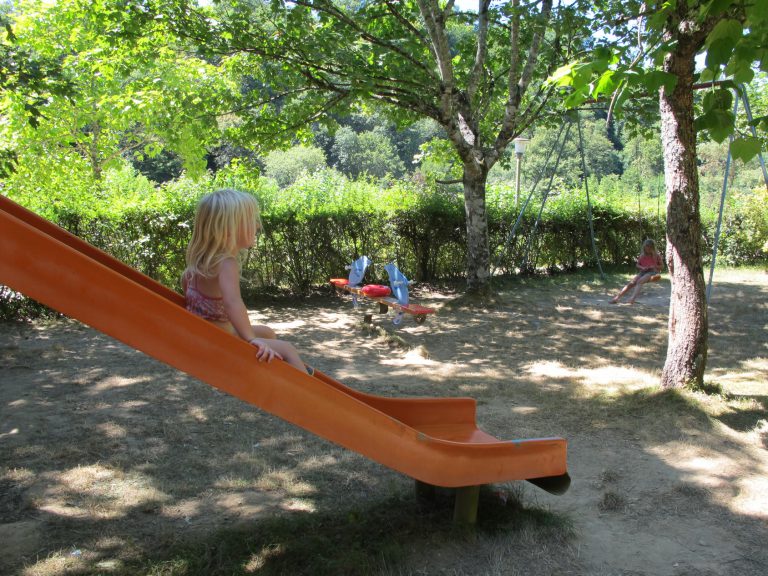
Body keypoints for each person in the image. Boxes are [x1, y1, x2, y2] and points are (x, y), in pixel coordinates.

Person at [182, 188, 313, 374]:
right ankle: (306, 388)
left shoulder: (192, 270)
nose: (258, 226)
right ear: (229, 230)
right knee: (287, 349)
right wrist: (251, 339)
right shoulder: (226, 263)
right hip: (221, 339)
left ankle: (276, 369)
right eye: (252, 221)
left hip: (207, 334)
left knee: (267, 333)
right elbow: (232, 303)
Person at [611, 238, 664, 304]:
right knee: (631, 283)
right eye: (646, 248)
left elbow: (662, 266)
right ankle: (617, 298)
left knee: (639, 281)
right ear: (644, 248)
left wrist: (654, 266)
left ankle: (632, 299)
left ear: (653, 248)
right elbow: (637, 265)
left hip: (653, 272)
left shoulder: (657, 256)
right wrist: (642, 267)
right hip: (643, 272)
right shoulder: (642, 255)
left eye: (650, 248)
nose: (648, 250)